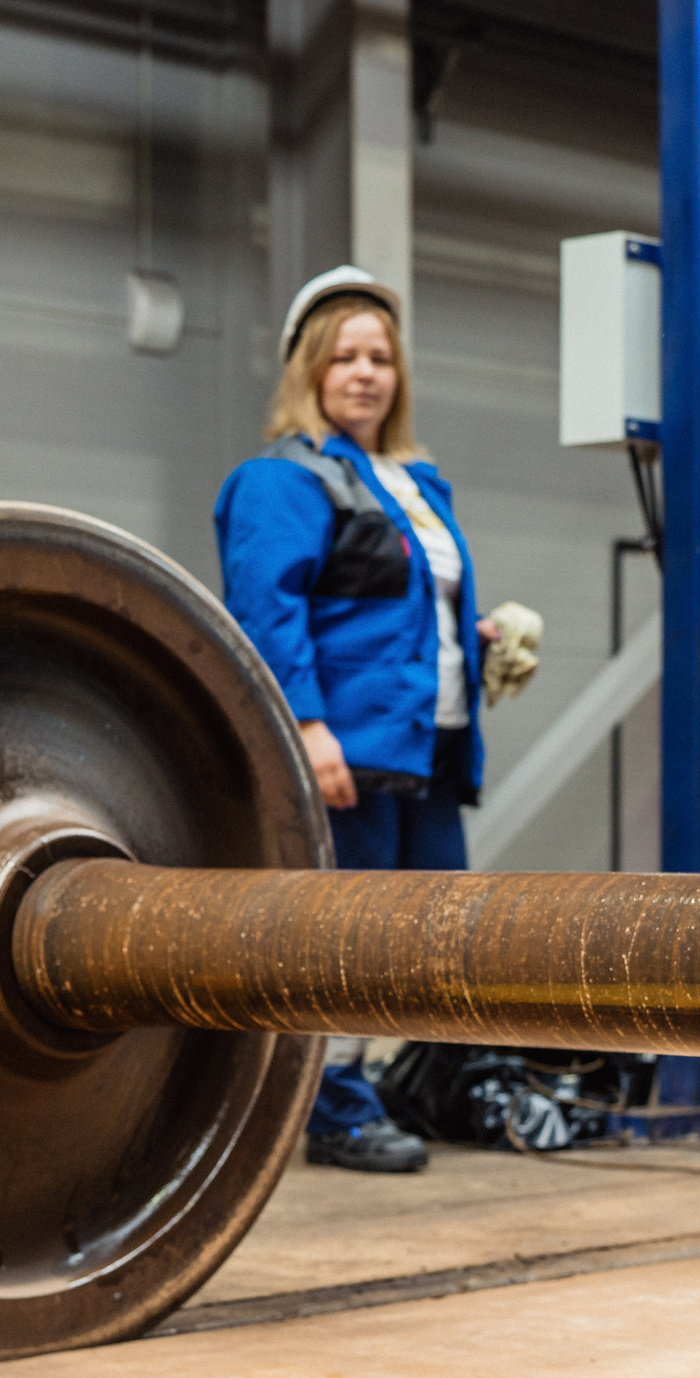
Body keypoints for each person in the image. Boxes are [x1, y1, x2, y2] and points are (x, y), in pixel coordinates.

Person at [216, 266, 499, 1173]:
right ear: (310, 368)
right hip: (351, 747)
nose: (366, 373)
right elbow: (268, 614)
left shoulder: (415, 481)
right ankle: (332, 1108)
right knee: (340, 938)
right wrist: (305, 729)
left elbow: (404, 607)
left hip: (429, 746)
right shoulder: (281, 481)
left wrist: (479, 639)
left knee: (422, 940)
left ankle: (386, 1086)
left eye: (381, 356)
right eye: (345, 357)